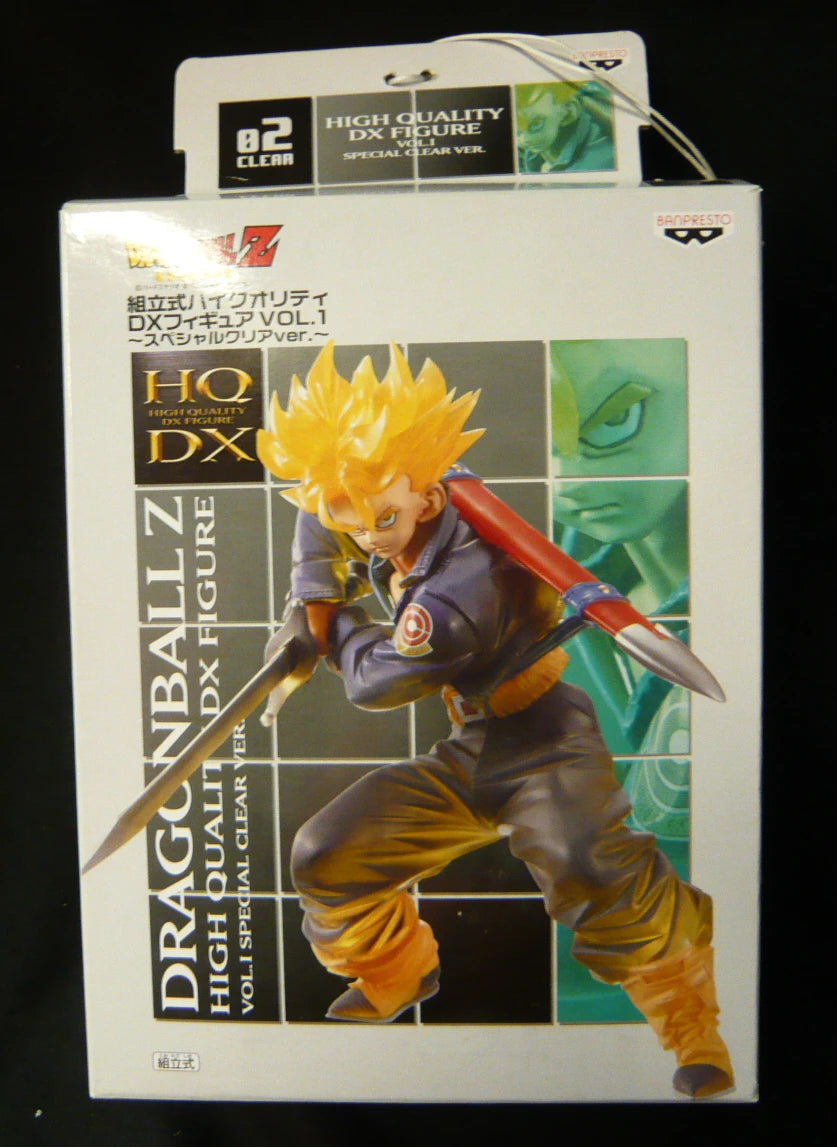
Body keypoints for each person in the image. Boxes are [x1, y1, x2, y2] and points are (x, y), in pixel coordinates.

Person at [256, 342, 733, 1099]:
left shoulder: (457, 591)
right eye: (351, 516)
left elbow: (376, 684)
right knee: (327, 854)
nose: (368, 536)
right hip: (473, 744)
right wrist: (310, 595)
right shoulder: (385, 488)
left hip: (547, 743)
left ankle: (693, 1028)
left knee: (596, 874)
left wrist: (332, 626)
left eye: (383, 519)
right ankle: (397, 973)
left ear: (428, 500)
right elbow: (325, 513)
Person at [516, 82, 615, 174]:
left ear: (569, 110)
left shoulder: (598, 164)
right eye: (517, 130)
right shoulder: (535, 149)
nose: (523, 140)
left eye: (536, 124)